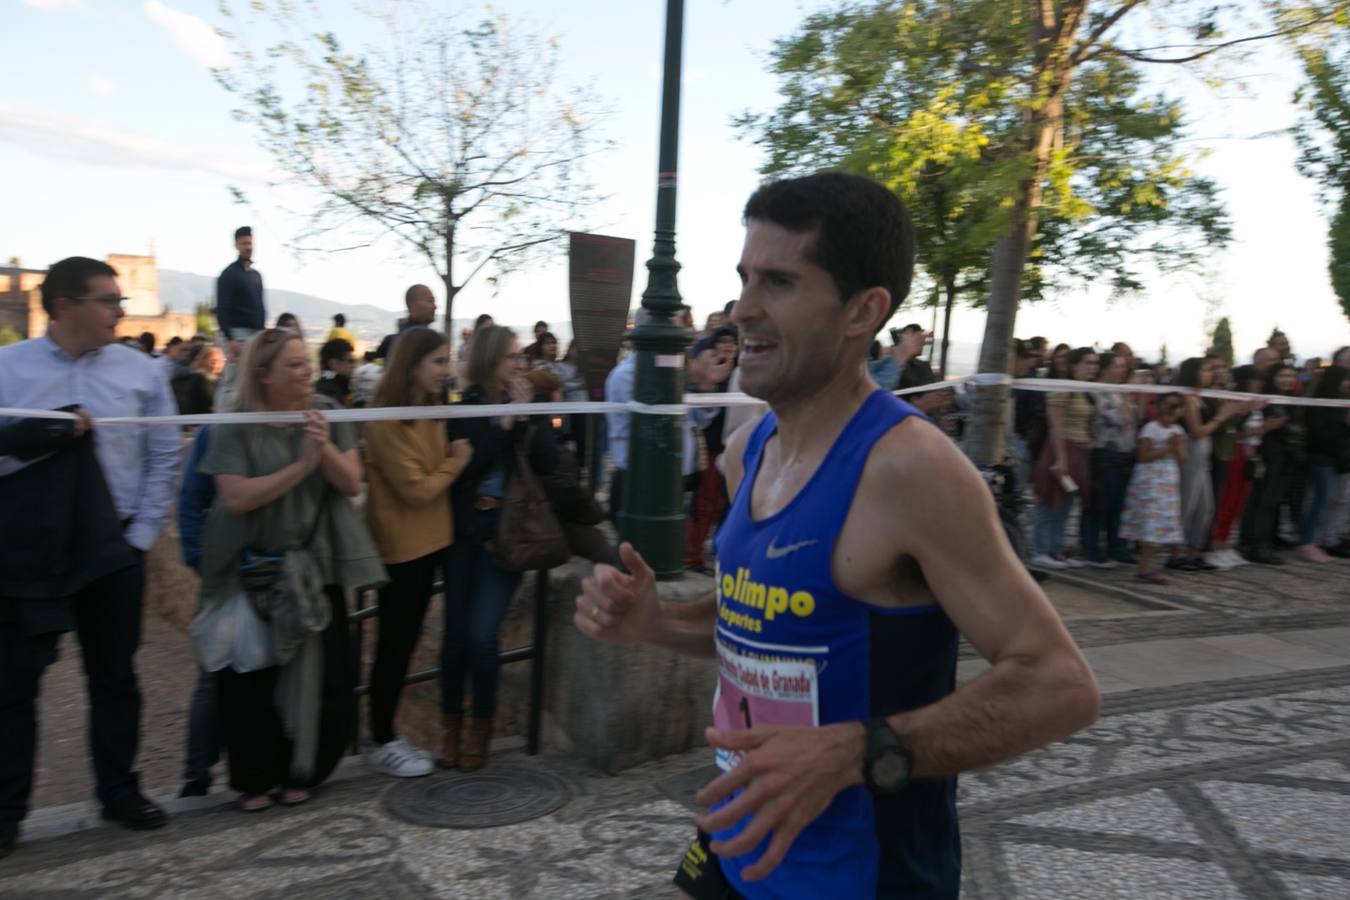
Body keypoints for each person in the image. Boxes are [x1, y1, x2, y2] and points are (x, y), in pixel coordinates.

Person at [574, 173, 1099, 899]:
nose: (742, 311)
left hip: (864, 877)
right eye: (744, 279)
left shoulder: (912, 470)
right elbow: (763, 625)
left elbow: (1061, 686)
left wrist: (855, 751)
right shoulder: (748, 450)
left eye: (780, 283)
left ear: (863, 311)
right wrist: (658, 622)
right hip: (741, 837)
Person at [0, 257, 180, 855]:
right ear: (64, 307)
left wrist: (140, 536)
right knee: (14, 686)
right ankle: (6, 814)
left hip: (115, 552)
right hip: (33, 554)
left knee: (115, 679)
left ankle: (119, 792)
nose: (121, 311)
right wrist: (40, 435)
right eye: (108, 300)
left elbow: (162, 457)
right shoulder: (7, 370)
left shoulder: (143, 372)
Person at [191, 328, 385, 811]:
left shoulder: (329, 412)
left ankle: (306, 769)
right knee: (252, 680)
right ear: (264, 374)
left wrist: (319, 449)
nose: (306, 371)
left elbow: (351, 482)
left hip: (315, 566)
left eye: (307, 361)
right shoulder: (235, 423)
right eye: (294, 364)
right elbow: (235, 497)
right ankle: (255, 779)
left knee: (322, 676)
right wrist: (300, 466)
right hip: (251, 567)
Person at [440, 326, 559, 770]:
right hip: (464, 530)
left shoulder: (529, 405)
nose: (520, 364)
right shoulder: (466, 407)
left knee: (480, 634)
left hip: (509, 534)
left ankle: (480, 727)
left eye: (521, 358)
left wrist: (528, 417)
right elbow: (467, 466)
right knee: (454, 637)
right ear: (490, 359)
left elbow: (547, 461)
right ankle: (449, 725)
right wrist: (505, 424)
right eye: (512, 357)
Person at [362, 327, 473, 776]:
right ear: (413, 365)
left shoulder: (429, 408)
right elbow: (416, 489)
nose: (446, 371)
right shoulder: (385, 416)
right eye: (439, 362)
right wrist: (456, 461)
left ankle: (387, 733)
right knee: (395, 644)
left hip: (431, 543)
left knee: (405, 644)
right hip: (403, 548)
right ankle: (381, 738)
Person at [604, 314, 731, 524]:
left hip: (673, 481)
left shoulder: (675, 371)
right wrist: (693, 378)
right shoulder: (627, 375)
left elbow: (698, 420)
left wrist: (706, 386)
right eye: (681, 325)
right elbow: (657, 427)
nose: (687, 334)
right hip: (641, 480)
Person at [177, 425, 220, 796]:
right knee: (214, 670)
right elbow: (192, 498)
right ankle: (197, 771)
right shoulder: (218, 429)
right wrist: (199, 558)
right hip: (223, 569)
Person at [1170, 358, 1245, 571]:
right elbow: (1197, 431)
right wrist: (1221, 417)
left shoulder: (1201, 397)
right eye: (1205, 369)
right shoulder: (1187, 398)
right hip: (1192, 452)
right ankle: (1175, 554)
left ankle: (1194, 552)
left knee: (1205, 507)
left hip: (1204, 455)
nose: (1210, 373)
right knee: (1187, 505)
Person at [1031, 347, 1099, 569]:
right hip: (1062, 449)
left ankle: (1056, 549)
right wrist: (1060, 459)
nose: (1092, 367)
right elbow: (1056, 425)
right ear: (1074, 364)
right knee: (1050, 500)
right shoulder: (1062, 388)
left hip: (1079, 451)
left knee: (1066, 503)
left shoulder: (1084, 391)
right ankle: (1040, 549)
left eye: (1095, 363)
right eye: (1088, 362)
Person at [1119, 393, 1188, 584]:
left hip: (1167, 483)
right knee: (1151, 524)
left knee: (1162, 523)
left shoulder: (1178, 431)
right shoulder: (1151, 428)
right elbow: (1143, 456)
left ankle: (1149, 565)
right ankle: (1144, 567)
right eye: (1168, 406)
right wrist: (1168, 448)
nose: (1171, 411)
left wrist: (1178, 445)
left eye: (1176, 407)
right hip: (1151, 482)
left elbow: (1183, 459)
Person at [1241, 364, 1304, 565]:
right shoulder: (1267, 401)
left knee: (1271, 502)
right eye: (1283, 375)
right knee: (1263, 501)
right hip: (1270, 456)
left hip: (1285, 457)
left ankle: (1262, 542)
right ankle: (1255, 545)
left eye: (1291, 375)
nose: (1288, 379)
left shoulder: (1290, 400)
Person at [1080, 351, 1138, 567]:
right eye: (1117, 366)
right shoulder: (1097, 391)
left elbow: (1133, 420)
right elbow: (1113, 418)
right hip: (1105, 454)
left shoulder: (1121, 392)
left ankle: (1117, 547)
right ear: (1106, 368)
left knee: (1119, 505)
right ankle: (1091, 549)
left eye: (1123, 366)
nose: (1122, 370)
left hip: (1125, 454)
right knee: (1099, 504)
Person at [1208, 366, 1264, 569]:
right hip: (1234, 451)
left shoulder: (1256, 400)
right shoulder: (1233, 399)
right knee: (1227, 499)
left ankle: (1224, 544)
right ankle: (1215, 544)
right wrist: (1246, 411)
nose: (1258, 384)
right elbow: (1232, 429)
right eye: (1254, 380)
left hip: (1250, 453)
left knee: (1239, 502)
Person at [1300, 365, 1349, 563]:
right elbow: (1319, 433)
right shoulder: (1322, 402)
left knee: (1331, 500)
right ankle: (1308, 542)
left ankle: (1319, 540)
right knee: (1322, 500)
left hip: (1337, 458)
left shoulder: (1341, 401)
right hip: (1322, 457)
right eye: (1346, 379)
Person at [215, 226, 266, 408]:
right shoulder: (228, 275)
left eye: (250, 242)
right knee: (232, 380)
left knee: (252, 381)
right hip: (236, 334)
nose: (248, 246)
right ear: (236, 245)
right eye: (244, 243)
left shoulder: (255, 276)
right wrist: (230, 340)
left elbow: (260, 308)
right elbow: (222, 309)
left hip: (254, 336)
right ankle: (221, 423)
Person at [375, 284, 438, 361]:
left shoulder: (432, 340)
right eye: (430, 301)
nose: (435, 306)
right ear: (413, 306)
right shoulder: (393, 344)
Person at [172, 342, 222, 417]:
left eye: (220, 361)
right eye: (213, 361)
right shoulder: (199, 378)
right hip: (201, 421)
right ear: (203, 360)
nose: (217, 364)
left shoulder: (217, 378)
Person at [314, 338, 356, 407]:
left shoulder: (321, 386)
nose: (354, 366)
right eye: (350, 361)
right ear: (333, 364)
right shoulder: (329, 394)